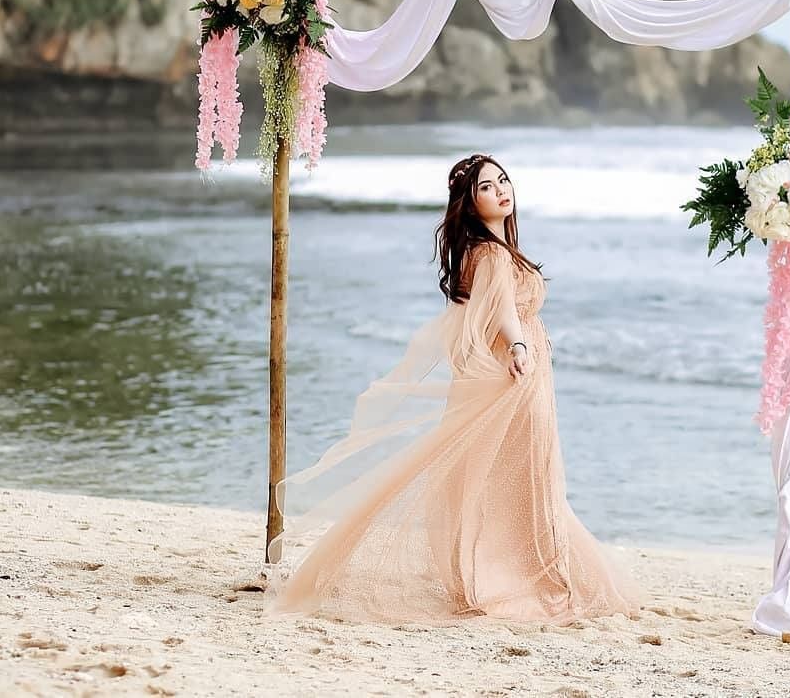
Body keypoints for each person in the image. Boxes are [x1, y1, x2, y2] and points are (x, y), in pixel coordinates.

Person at [263, 152, 641, 626]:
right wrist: (520, 345)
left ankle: (505, 571)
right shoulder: (493, 254)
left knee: (506, 479)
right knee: (525, 479)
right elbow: (501, 311)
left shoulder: (487, 250)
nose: (501, 190)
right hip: (516, 374)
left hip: (519, 371)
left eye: (503, 181)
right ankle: (523, 576)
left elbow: (487, 310)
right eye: (487, 186)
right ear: (469, 201)